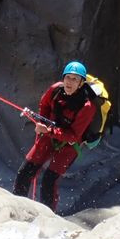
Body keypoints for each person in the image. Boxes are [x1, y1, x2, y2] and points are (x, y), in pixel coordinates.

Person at [13, 61, 96, 212]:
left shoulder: (87, 107)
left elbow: (73, 136)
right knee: (25, 172)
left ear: (81, 83)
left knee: (49, 181)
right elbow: (44, 105)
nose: (70, 82)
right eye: (68, 77)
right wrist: (41, 122)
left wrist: (48, 131)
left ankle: (48, 217)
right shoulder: (55, 90)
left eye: (75, 79)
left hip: (69, 146)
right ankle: (18, 210)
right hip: (49, 134)